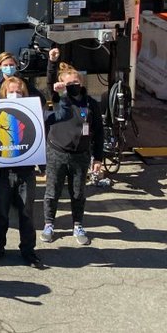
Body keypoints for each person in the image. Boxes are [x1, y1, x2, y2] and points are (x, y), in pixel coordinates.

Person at [0, 75, 45, 268]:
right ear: (4, 93)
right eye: (11, 91)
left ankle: (29, 252)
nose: (15, 94)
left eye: (19, 92)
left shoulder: (31, 113)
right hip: (3, 173)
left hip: (26, 173)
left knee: (27, 214)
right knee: (1, 214)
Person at [43, 66, 105, 246]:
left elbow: (98, 131)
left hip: (81, 156)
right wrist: (52, 62)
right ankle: (49, 224)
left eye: (75, 82)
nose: (73, 86)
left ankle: (78, 225)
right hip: (57, 152)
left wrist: (98, 158)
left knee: (78, 193)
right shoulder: (59, 99)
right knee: (52, 191)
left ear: (82, 82)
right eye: (68, 83)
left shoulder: (91, 103)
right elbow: (49, 81)